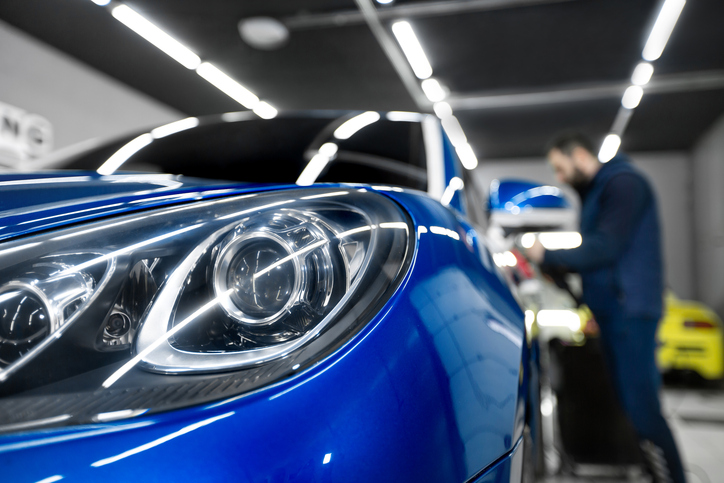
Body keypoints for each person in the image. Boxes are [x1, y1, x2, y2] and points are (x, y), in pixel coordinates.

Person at [527, 132, 686, 483]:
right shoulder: (598, 192)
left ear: (580, 156)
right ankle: (652, 472)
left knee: (643, 410)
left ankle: (674, 477)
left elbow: (605, 248)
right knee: (631, 407)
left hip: (630, 312)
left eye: (560, 168)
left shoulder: (623, 184)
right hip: (615, 312)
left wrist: (546, 253)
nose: (560, 177)